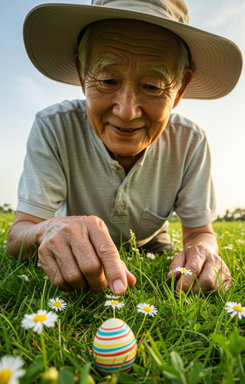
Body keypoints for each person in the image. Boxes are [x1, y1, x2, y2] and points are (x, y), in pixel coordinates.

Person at [7, 0, 242, 295]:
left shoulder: (191, 142)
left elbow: (199, 233)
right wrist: (44, 231)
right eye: (107, 80)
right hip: (77, 244)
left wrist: (203, 251)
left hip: (152, 244)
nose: (127, 111)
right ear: (82, 74)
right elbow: (20, 232)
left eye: (154, 86)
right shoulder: (54, 127)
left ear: (180, 88)